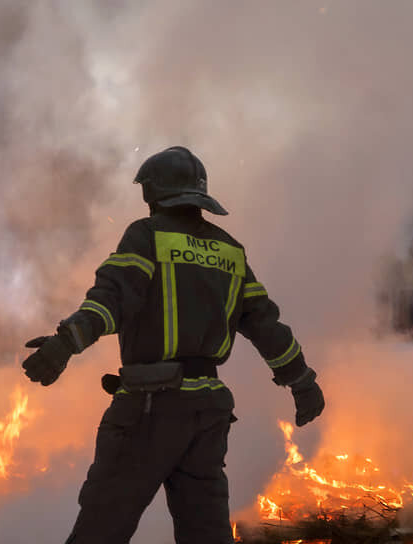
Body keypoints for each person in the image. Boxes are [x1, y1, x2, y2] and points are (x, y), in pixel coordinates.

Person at [20, 146, 324, 544]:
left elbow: (112, 299)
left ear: (152, 193)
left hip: (150, 408)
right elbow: (266, 325)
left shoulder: (147, 235)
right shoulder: (229, 250)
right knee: (206, 533)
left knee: (102, 526)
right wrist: (301, 380)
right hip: (207, 413)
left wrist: (66, 342)